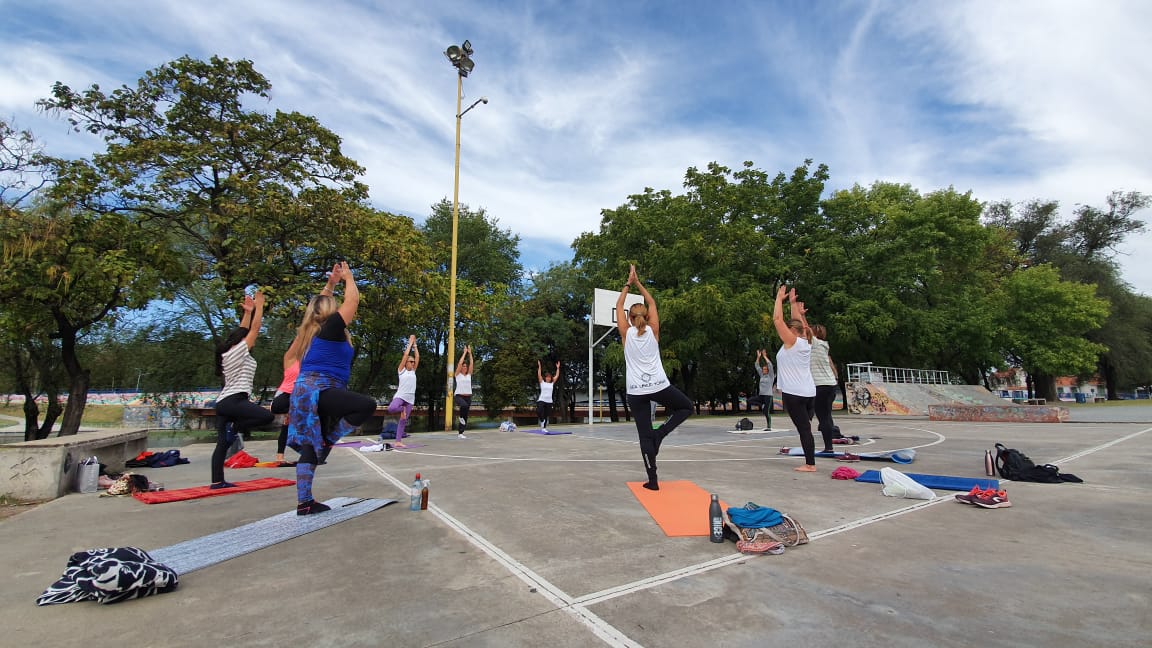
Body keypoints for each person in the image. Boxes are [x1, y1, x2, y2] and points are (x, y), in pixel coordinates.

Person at [288, 262, 377, 515]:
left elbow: (318, 305)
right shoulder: (331, 328)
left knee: (308, 446)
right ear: (329, 312)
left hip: (303, 393)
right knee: (366, 405)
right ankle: (328, 440)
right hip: (321, 389)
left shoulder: (309, 332)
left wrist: (331, 284)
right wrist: (349, 278)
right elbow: (353, 302)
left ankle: (304, 502)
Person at [616, 264, 693, 490]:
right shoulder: (654, 329)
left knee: (644, 436)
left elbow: (619, 304)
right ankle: (661, 434)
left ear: (630, 319)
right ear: (647, 317)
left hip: (636, 392)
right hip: (659, 385)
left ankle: (653, 481)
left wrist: (628, 283)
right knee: (686, 407)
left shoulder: (625, 333)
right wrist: (638, 282)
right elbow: (652, 302)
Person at [270, 272, 340, 466]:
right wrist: (329, 286)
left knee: (322, 405)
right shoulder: (291, 358)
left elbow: (325, 315)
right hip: (285, 398)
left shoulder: (315, 363)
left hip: (307, 399)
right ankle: (294, 447)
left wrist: (331, 285)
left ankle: (315, 449)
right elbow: (312, 317)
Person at [211, 291, 275, 489]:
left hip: (224, 402)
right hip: (234, 401)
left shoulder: (230, 352)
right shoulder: (237, 352)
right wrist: (260, 306)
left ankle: (217, 481)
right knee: (267, 418)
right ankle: (236, 427)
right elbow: (254, 329)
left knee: (222, 443)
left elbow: (243, 330)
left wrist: (248, 311)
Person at [774, 285, 817, 472]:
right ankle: (810, 461)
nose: (786, 332)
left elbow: (777, 319)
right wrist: (792, 304)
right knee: (806, 427)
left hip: (795, 394)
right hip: (809, 393)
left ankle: (810, 464)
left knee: (804, 430)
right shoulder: (805, 342)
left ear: (795, 332)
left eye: (789, 330)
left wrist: (778, 299)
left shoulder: (792, 342)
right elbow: (798, 323)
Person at [810, 323, 840, 453]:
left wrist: (801, 315)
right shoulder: (824, 346)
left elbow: (805, 328)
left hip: (821, 386)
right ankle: (829, 446)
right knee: (826, 416)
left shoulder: (816, 344)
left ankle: (828, 448)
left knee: (823, 417)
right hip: (830, 385)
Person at [387, 335, 420, 448]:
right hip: (401, 396)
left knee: (403, 420)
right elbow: (406, 355)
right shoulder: (401, 370)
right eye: (411, 361)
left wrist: (415, 345)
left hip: (410, 399)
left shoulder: (413, 371)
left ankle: (398, 441)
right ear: (406, 363)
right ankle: (402, 409)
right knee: (391, 408)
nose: (413, 363)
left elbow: (417, 356)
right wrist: (410, 343)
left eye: (413, 362)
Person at [453, 345, 474, 439]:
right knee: (464, 406)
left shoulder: (469, 375)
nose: (464, 367)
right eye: (463, 366)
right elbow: (459, 363)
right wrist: (464, 352)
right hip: (459, 396)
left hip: (468, 397)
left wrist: (470, 353)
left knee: (465, 416)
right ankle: (461, 417)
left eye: (466, 366)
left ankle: (460, 433)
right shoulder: (457, 375)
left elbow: (472, 364)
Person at [752, 349, 776, 431]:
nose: (764, 370)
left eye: (766, 369)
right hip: (761, 395)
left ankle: (769, 426)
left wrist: (765, 356)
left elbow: (770, 365)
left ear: (768, 371)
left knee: (766, 412)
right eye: (763, 369)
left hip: (768, 396)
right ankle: (761, 405)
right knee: (749, 401)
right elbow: (756, 365)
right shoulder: (761, 375)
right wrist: (758, 357)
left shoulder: (771, 376)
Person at [536, 359, 560, 430]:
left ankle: (544, 428)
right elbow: (539, 374)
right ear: (545, 378)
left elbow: (557, 376)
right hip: (542, 400)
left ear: (550, 378)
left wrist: (558, 368)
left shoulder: (552, 383)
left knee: (546, 415)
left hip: (549, 401)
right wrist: (539, 366)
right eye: (547, 377)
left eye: (549, 377)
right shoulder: (542, 382)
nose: (548, 378)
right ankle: (542, 420)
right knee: (539, 411)